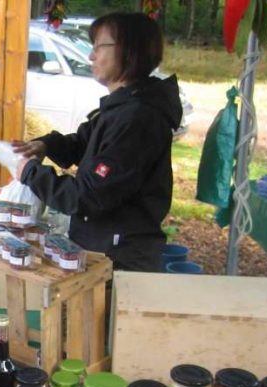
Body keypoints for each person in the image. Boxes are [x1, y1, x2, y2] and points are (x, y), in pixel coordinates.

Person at [13, 12, 182, 272]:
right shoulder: (123, 106)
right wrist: (46, 145)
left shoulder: (138, 118)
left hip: (119, 257)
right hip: (103, 245)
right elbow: (84, 141)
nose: (91, 56)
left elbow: (89, 196)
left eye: (99, 47)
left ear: (128, 50)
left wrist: (31, 174)